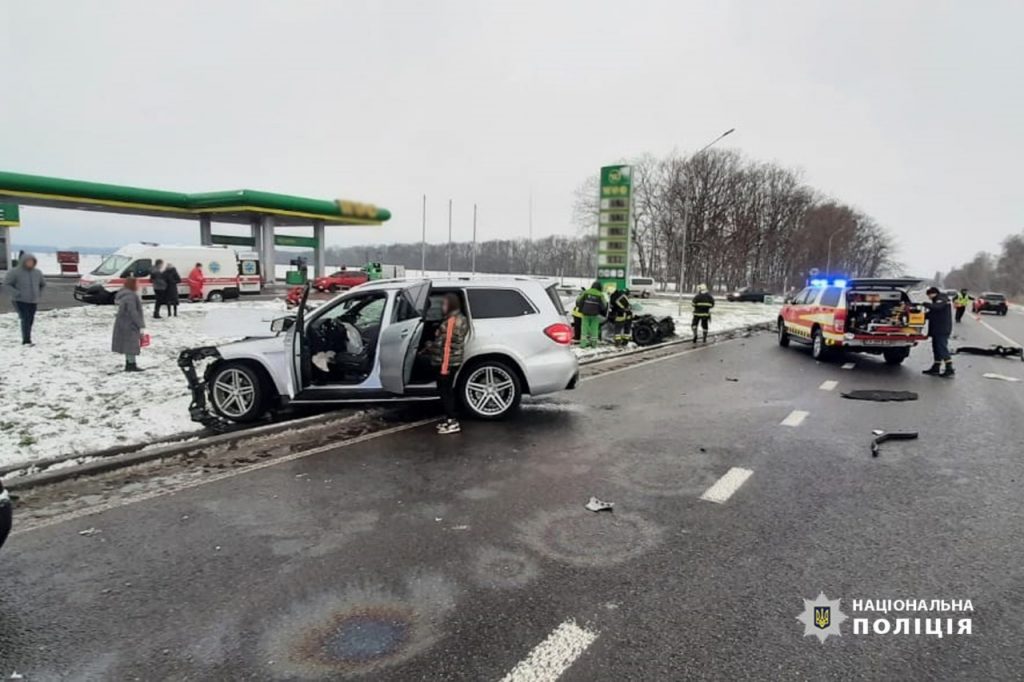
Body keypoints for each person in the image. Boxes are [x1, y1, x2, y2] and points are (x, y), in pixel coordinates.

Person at [426, 293, 469, 435]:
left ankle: (452, 421)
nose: (442, 307)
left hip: (447, 362)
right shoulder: (459, 319)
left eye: (444, 304)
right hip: (453, 360)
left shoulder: (451, 322)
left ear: (450, 305)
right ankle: (449, 419)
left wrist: (443, 367)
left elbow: (446, 345)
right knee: (447, 391)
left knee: (446, 392)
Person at [3, 252, 46, 345]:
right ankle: (26, 340)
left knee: (30, 319)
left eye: (32, 261)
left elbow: (42, 284)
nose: (30, 263)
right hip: (19, 300)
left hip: (33, 300)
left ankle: (27, 336)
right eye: (28, 261)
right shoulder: (15, 272)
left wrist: (38, 293)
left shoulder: (37, 273)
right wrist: (17, 293)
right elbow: (6, 284)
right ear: (23, 262)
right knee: (25, 318)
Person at [112, 277, 146, 372]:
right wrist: (140, 324)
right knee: (131, 344)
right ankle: (131, 365)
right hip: (129, 324)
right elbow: (133, 312)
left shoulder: (124, 294)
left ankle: (129, 363)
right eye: (137, 283)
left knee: (128, 344)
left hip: (123, 323)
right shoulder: (131, 296)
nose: (139, 285)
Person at [921, 286, 954, 378]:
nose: (929, 297)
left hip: (942, 329)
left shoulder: (942, 298)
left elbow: (937, 307)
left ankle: (949, 368)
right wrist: (919, 316)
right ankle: (936, 367)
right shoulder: (936, 301)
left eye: (929, 295)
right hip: (936, 329)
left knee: (942, 348)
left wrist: (926, 304)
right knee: (936, 348)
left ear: (933, 293)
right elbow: (932, 314)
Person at [575, 280, 607, 349]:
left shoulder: (586, 292)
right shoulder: (600, 294)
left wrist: (581, 307)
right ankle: (593, 344)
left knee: (584, 328)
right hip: (595, 314)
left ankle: (583, 344)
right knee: (594, 329)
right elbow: (604, 305)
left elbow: (579, 300)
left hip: (585, 313)